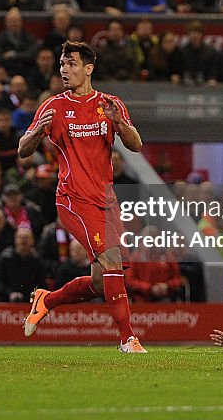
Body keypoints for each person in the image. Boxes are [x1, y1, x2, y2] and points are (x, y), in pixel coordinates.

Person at [19, 40, 147, 353]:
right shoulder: (53, 106)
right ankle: (128, 338)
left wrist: (118, 122)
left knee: (102, 281)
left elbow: (136, 144)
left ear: (88, 69)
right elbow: (23, 150)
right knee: (112, 261)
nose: (65, 70)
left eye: (72, 64)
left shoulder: (109, 104)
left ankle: (46, 300)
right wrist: (37, 133)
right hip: (73, 199)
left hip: (107, 201)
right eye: (62, 65)